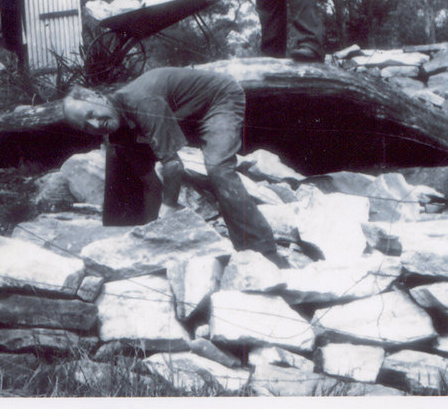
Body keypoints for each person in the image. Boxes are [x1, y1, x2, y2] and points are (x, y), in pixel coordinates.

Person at [62, 67, 287, 266]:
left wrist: (168, 208)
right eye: (86, 127)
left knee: (218, 167)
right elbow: (151, 183)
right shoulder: (116, 129)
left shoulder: (142, 101)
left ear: (98, 97)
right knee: (117, 156)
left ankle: (263, 251)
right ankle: (132, 243)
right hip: (183, 114)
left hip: (217, 99)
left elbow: (173, 166)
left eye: (91, 114)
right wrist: (152, 231)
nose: (94, 124)